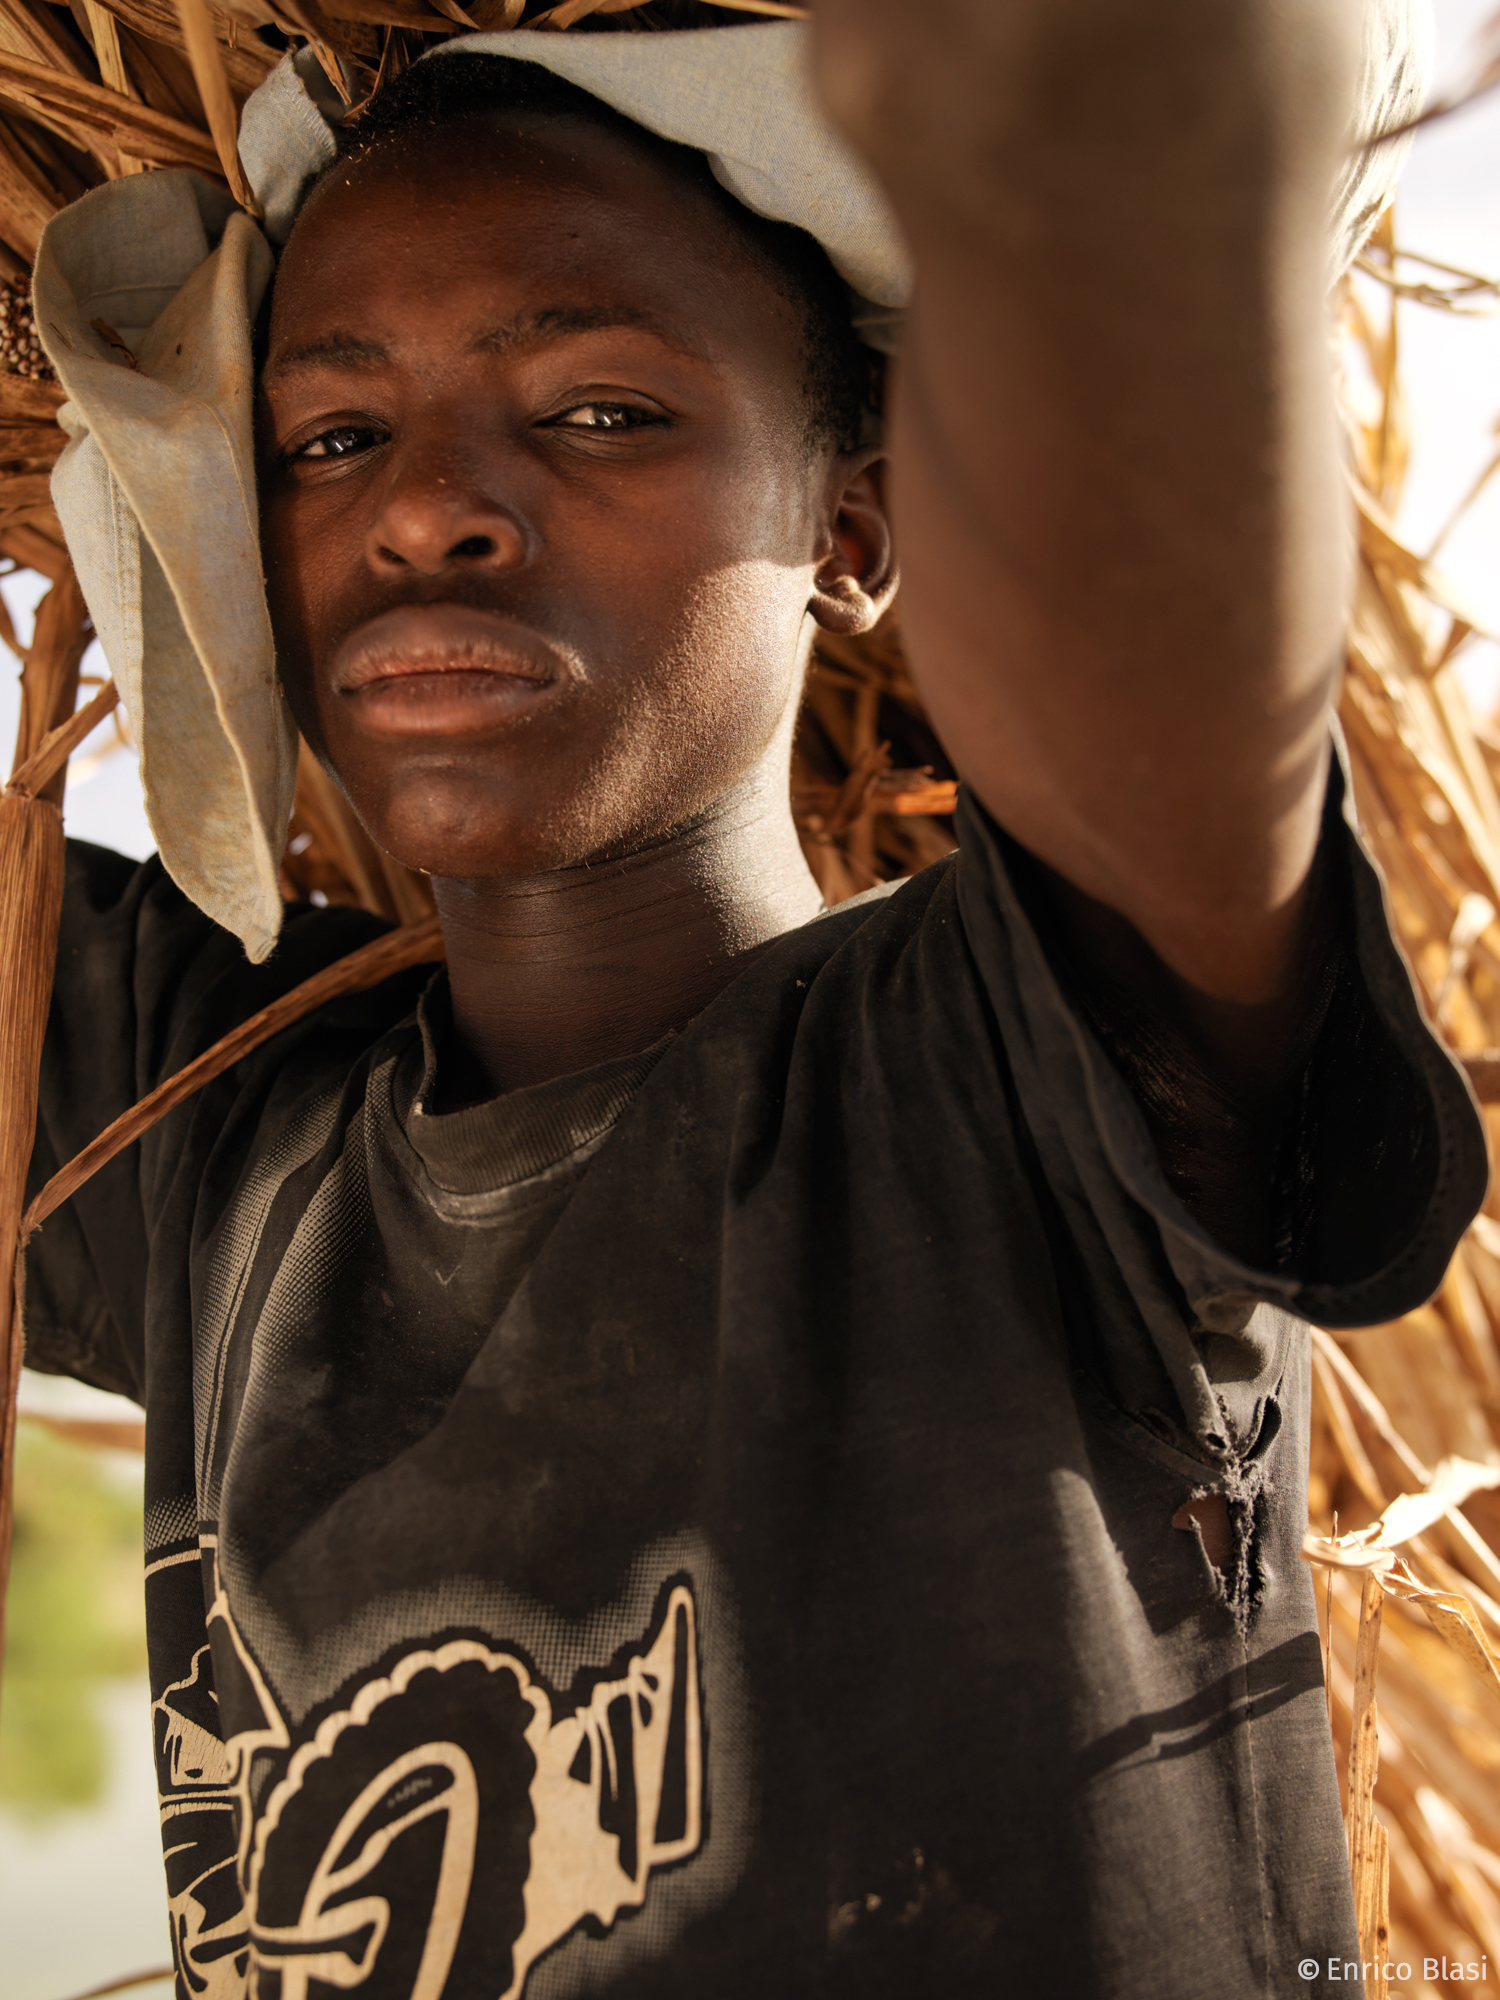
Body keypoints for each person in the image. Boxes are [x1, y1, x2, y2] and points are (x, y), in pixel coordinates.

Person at [21, 4, 1485, 1996]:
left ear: (856, 529)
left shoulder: (997, 1068)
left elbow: (1161, 686)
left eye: (600, 411)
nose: (424, 506)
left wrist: (1072, 178)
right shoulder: (210, 1155)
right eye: (330, 439)